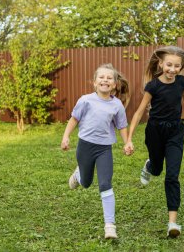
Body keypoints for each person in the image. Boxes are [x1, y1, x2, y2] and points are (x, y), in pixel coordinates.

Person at [124, 46, 184, 238]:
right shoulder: (152, 86)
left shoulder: (181, 82)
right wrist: (129, 140)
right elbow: (138, 114)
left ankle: (172, 223)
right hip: (154, 131)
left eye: (177, 66)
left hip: (175, 132)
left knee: (172, 175)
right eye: (169, 65)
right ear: (161, 64)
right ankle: (150, 165)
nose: (172, 69)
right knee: (157, 169)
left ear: (181, 67)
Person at [61, 63, 132, 239]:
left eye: (109, 78)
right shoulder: (85, 100)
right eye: (101, 77)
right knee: (86, 182)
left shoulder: (117, 105)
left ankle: (110, 225)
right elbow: (74, 119)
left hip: (104, 149)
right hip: (85, 146)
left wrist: (127, 142)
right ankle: (78, 175)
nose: (105, 80)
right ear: (94, 82)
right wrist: (66, 137)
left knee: (105, 184)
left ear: (115, 84)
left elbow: (122, 126)